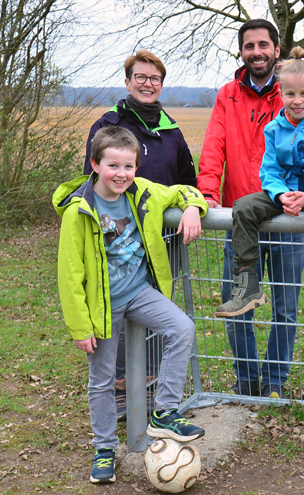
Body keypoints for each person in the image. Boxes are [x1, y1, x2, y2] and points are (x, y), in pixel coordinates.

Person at [54, 126, 207, 484]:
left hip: (139, 292)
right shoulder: (80, 211)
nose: (121, 174)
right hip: (101, 307)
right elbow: (69, 275)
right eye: (113, 166)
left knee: (182, 327)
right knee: (103, 379)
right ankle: (104, 448)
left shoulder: (144, 193)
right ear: (95, 164)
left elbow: (184, 190)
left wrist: (192, 209)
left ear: (137, 167)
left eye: (129, 166)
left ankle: (165, 411)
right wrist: (80, 326)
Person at [83, 50, 197, 420]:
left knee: (156, 306)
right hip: (120, 236)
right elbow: (93, 179)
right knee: (116, 307)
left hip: (164, 237)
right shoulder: (110, 123)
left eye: (155, 78)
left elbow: (187, 180)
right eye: (141, 77)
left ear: (162, 84)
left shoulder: (170, 129)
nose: (148, 84)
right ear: (128, 80)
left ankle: (147, 386)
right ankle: (119, 387)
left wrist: (192, 206)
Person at [197, 19, 304, 400]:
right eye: (249, 46)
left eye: (264, 45)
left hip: (290, 219)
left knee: (286, 308)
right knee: (237, 303)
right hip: (241, 220)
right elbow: (214, 145)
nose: (256, 52)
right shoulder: (228, 95)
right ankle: (246, 380)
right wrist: (209, 193)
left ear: (277, 50)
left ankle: (275, 382)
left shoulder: (294, 91)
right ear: (241, 52)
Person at [216, 47, 304, 330]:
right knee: (244, 206)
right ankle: (248, 281)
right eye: (290, 94)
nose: (297, 101)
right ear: (281, 94)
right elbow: (269, 171)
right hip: (285, 192)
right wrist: (279, 194)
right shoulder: (274, 129)